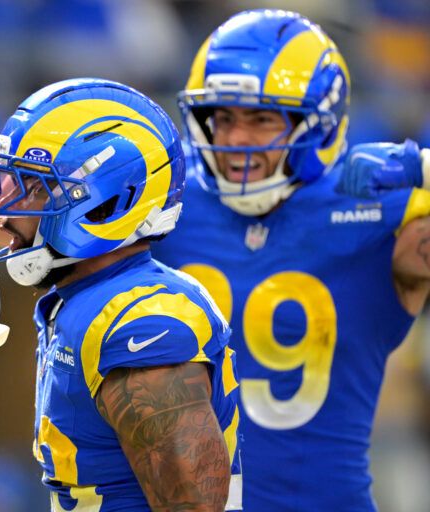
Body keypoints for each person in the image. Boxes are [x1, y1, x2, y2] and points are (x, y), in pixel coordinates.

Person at [150, 9, 430, 511]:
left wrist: (421, 165)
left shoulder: (378, 215)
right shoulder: (165, 203)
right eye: (224, 117)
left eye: (261, 119)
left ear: (318, 124)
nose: (236, 140)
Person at [0, 78, 242, 511]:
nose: (5, 213)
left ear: (105, 201)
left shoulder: (141, 319)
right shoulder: (90, 299)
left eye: (34, 188)